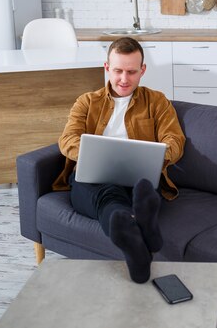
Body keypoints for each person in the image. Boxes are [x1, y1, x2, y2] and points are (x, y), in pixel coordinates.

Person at [52, 37, 185, 283]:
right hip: (93, 177)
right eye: (118, 71)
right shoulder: (87, 102)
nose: (124, 79)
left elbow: (174, 139)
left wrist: (157, 155)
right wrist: (94, 155)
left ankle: (127, 222)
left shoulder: (157, 102)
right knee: (106, 192)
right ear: (107, 68)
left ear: (143, 70)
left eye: (132, 72)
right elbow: (67, 139)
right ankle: (142, 230)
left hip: (138, 178)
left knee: (140, 188)